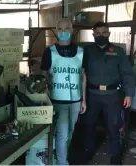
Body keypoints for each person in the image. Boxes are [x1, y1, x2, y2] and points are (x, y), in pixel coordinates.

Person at [82, 22, 135, 164]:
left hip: (112, 95)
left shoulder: (117, 51)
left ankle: (115, 154)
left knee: (113, 126)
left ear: (109, 34)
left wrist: (129, 94)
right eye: (97, 33)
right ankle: (88, 151)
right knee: (89, 125)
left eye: (104, 32)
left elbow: (127, 74)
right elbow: (80, 73)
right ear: (93, 34)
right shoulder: (87, 51)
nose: (101, 35)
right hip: (91, 94)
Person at [40, 18, 87, 165]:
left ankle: (60, 157)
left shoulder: (80, 52)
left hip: (75, 100)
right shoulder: (50, 52)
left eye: (66, 28)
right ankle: (61, 162)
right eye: (60, 29)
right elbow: (43, 75)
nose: (63, 32)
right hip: (57, 100)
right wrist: (46, 94)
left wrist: (84, 99)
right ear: (56, 31)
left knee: (70, 132)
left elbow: (83, 77)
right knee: (63, 133)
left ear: (72, 30)